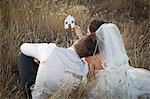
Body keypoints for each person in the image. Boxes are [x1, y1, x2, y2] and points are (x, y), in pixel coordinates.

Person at [17, 20, 105, 99]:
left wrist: (41, 56)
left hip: (37, 95)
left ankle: (28, 92)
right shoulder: (85, 70)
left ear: (76, 42)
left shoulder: (51, 49)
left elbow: (23, 47)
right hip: (60, 94)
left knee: (22, 56)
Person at [83, 22, 150, 99]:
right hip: (120, 79)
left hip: (103, 84)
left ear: (93, 35)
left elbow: (90, 77)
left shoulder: (92, 56)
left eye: (88, 33)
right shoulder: (114, 50)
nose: (86, 36)